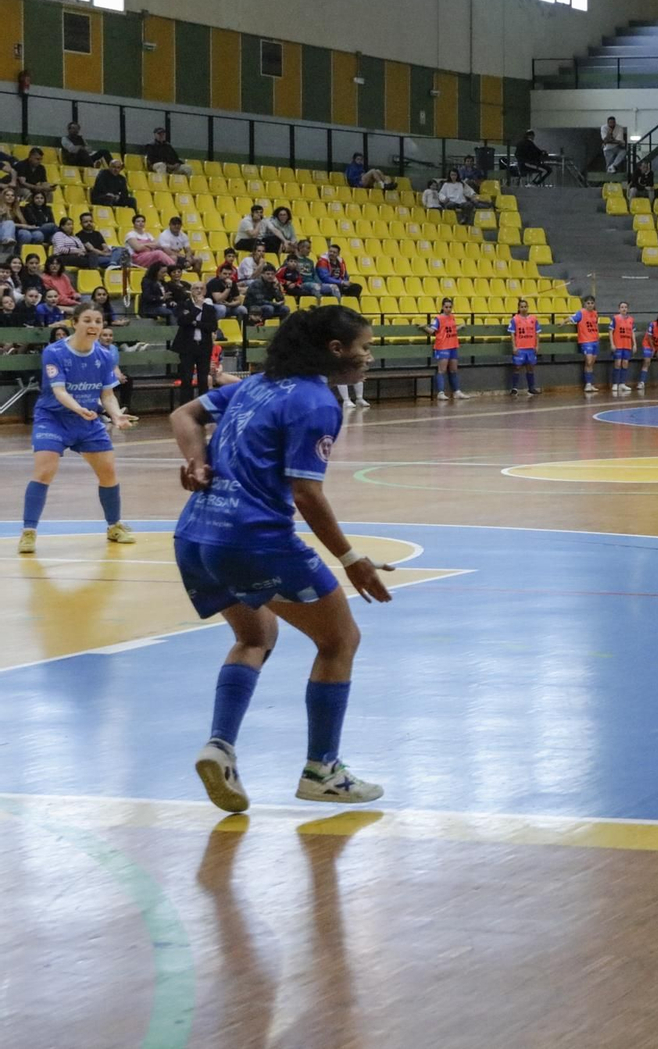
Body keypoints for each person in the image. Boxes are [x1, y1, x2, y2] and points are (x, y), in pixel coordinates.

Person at [170, 305, 392, 812]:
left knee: (254, 636)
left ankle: (219, 746)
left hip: (195, 535)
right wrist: (351, 557)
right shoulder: (317, 401)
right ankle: (323, 769)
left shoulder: (255, 384)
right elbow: (306, 494)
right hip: (253, 541)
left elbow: (184, 414)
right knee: (340, 639)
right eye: (365, 347)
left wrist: (195, 460)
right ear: (336, 351)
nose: (369, 356)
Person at [16, 302, 136, 556]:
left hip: (87, 421)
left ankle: (114, 526)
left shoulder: (105, 356)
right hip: (53, 418)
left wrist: (115, 415)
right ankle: (28, 532)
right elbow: (59, 391)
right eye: (88, 320)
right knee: (44, 471)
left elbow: (107, 394)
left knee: (108, 472)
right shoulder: (55, 352)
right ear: (75, 323)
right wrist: (78, 408)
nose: (93, 326)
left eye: (98, 321)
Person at [173, 281, 219, 403]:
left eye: (201, 288)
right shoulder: (183, 305)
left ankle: (202, 406)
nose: (199, 291)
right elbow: (182, 321)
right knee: (186, 377)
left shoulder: (209, 308)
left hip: (203, 346)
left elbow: (213, 327)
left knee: (203, 378)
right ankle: (185, 405)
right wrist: (197, 308)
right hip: (187, 346)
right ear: (191, 291)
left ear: (205, 291)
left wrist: (195, 323)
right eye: (196, 288)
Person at [424, 297, 468, 401]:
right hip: (443, 346)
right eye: (446, 307)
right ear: (443, 307)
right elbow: (432, 331)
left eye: (450, 307)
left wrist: (460, 327)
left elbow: (450, 330)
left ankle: (456, 391)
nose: (448, 309)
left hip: (453, 345)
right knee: (442, 370)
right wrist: (424, 327)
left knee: (453, 369)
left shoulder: (452, 317)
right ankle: (440, 392)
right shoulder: (438, 318)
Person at [507, 297, 541, 396]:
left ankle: (531, 388)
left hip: (530, 347)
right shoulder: (515, 319)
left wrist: (537, 345)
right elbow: (512, 334)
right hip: (520, 347)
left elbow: (537, 333)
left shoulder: (533, 319)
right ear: (518, 308)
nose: (524, 308)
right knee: (517, 367)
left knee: (530, 367)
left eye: (525, 306)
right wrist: (514, 346)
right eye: (522, 307)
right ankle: (514, 388)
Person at [570, 294, 600, 393]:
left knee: (592, 363)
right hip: (586, 340)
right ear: (584, 304)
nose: (590, 305)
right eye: (588, 303)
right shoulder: (581, 313)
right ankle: (587, 384)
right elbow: (572, 318)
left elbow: (596, 325)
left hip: (595, 340)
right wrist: (563, 322)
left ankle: (590, 383)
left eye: (592, 303)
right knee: (589, 361)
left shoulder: (595, 314)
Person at [205, 253, 249, 321]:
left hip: (227, 306)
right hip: (213, 306)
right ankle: (216, 328)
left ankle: (241, 329)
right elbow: (219, 299)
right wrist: (228, 287)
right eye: (225, 274)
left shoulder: (232, 282)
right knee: (222, 309)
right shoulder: (214, 282)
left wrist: (229, 304)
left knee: (242, 309)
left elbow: (238, 301)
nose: (227, 276)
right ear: (219, 274)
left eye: (229, 274)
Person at [609, 300, 635, 395]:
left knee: (625, 363)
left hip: (627, 345)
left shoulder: (631, 320)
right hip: (618, 344)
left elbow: (632, 332)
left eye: (625, 307)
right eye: (622, 307)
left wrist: (634, 344)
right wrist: (612, 344)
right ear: (619, 309)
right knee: (617, 363)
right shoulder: (615, 318)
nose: (624, 309)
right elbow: (611, 332)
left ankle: (622, 383)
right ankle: (615, 383)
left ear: (627, 309)